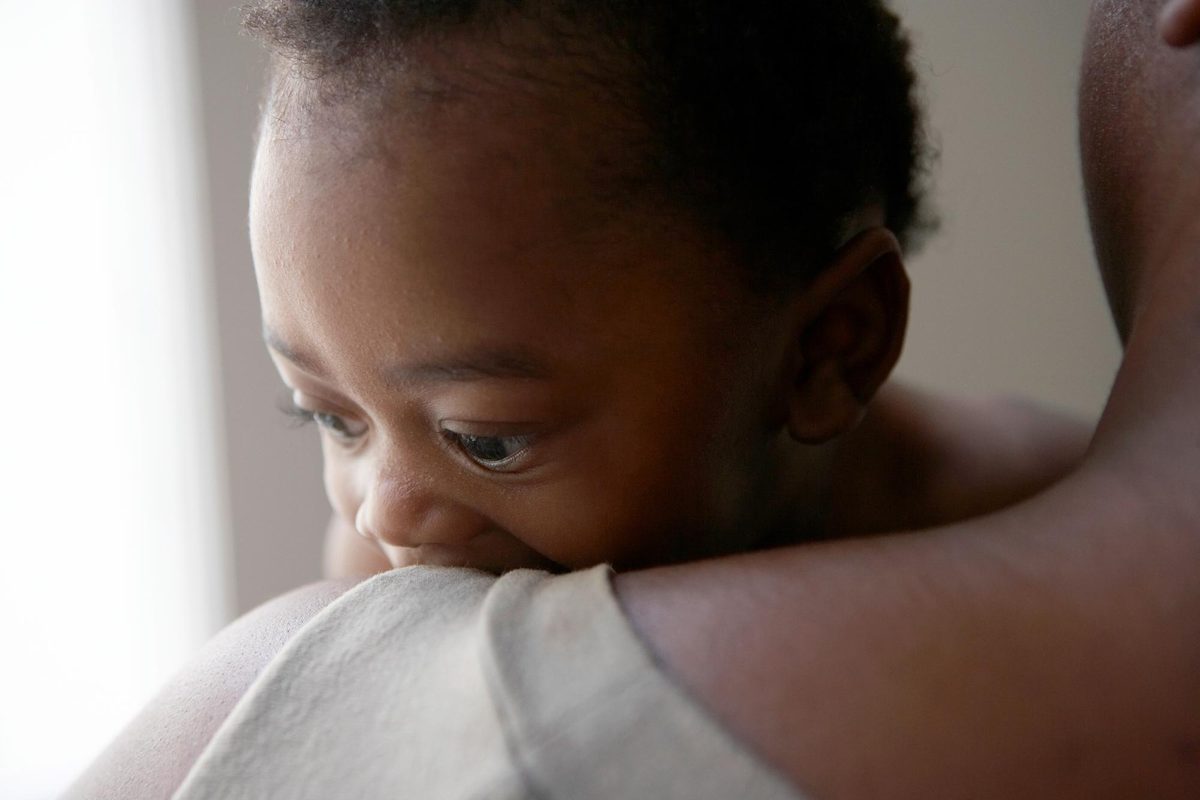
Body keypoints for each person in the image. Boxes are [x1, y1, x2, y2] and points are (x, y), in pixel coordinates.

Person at [66, 0, 1200, 797]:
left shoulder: (1016, 512)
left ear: (826, 352)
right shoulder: (387, 580)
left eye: (486, 436)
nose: (383, 511)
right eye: (327, 412)